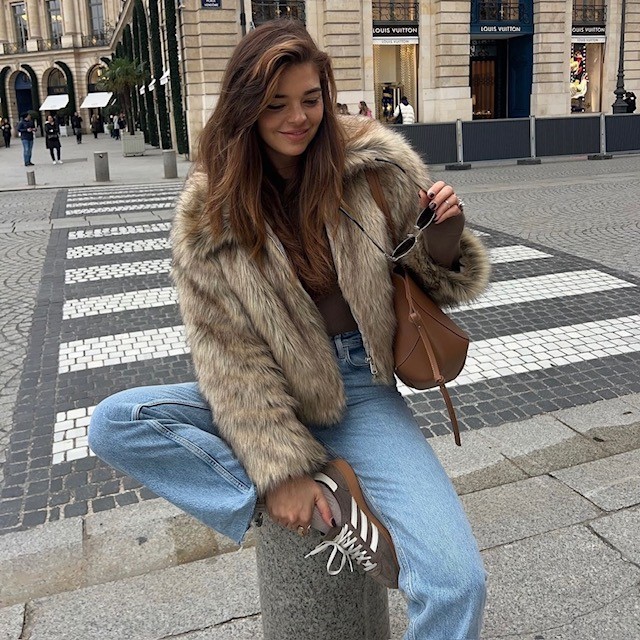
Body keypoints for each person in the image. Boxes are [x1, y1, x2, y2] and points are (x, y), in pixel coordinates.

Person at [88, 20, 489, 639]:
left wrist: (440, 242)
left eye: (310, 98)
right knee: (115, 422)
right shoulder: (210, 213)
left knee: (456, 582)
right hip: (267, 393)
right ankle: (322, 495)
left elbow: (438, 284)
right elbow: (229, 358)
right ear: (246, 108)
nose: (298, 117)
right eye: (276, 104)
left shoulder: (373, 165)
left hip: (360, 390)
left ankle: (326, 481)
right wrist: (279, 474)